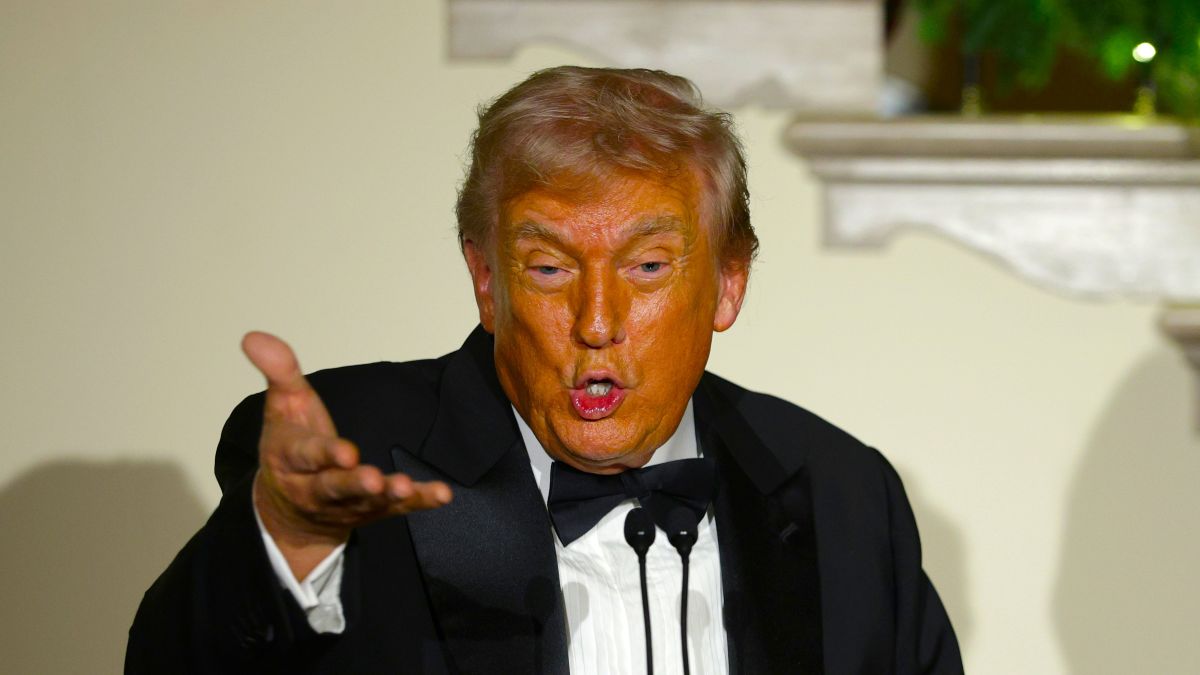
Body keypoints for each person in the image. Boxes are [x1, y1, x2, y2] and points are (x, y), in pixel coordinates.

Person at [127, 65, 962, 674]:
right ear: (487, 280)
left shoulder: (843, 494)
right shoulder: (357, 455)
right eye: (551, 268)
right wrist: (287, 543)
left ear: (728, 283)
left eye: (646, 267)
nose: (596, 323)